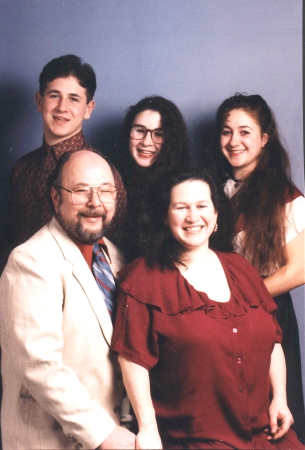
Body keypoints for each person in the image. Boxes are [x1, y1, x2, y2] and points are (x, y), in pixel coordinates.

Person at [112, 168, 304, 449]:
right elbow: (132, 361)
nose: (193, 217)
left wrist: (280, 400)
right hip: (198, 440)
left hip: (266, 434)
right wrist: (148, 429)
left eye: (202, 206)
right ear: (165, 218)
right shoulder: (143, 278)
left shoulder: (241, 269)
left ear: (215, 215)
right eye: (181, 207)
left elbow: (272, 341)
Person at [0, 150, 135, 449]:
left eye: (105, 191)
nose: (95, 203)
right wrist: (104, 435)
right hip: (52, 441)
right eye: (80, 191)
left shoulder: (117, 258)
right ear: (55, 197)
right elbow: (41, 366)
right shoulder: (30, 261)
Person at [216, 93, 305, 443]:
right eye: (226, 132)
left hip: (266, 314)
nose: (234, 141)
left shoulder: (285, 197)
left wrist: (240, 298)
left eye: (244, 132)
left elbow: (299, 270)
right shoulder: (219, 190)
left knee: (270, 419)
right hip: (223, 315)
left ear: (264, 138)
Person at [0, 54, 126, 272]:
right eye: (54, 96)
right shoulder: (22, 167)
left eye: (73, 99)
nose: (62, 107)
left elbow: (112, 252)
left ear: (88, 108)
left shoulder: (103, 172)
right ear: (39, 101)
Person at [118, 95, 190, 260]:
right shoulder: (114, 179)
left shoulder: (185, 186)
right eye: (140, 131)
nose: (146, 142)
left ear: (172, 140)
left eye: (158, 134)